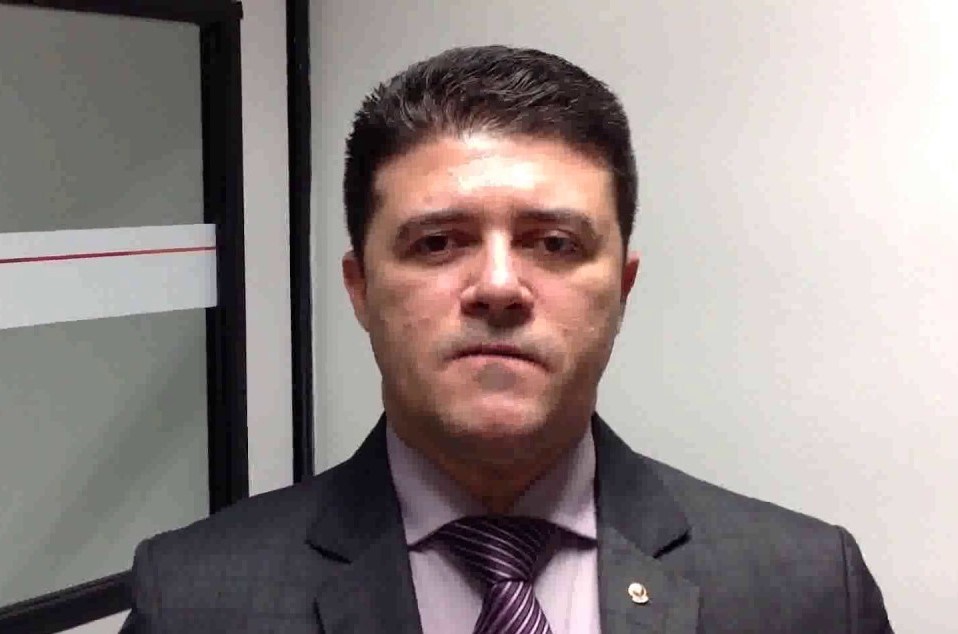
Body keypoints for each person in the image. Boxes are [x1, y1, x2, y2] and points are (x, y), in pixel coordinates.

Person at [121, 45, 892, 633]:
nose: (498, 286)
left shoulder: (808, 589)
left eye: (554, 243)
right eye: (437, 243)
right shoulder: (192, 601)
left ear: (622, 288)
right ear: (361, 289)